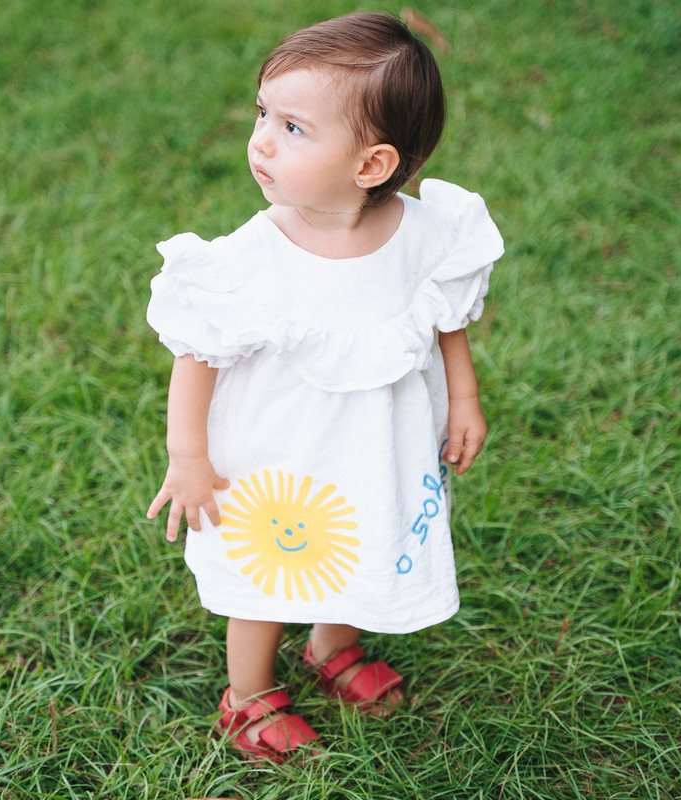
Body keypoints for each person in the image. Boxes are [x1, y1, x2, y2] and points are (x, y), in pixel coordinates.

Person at [145, 12, 504, 762]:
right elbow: (196, 358)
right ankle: (246, 696)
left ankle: (333, 644)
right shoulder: (249, 259)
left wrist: (463, 397)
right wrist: (188, 455)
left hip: (376, 444)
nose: (262, 139)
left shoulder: (426, 233)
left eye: (294, 128)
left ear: (371, 165)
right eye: (263, 113)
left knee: (364, 534)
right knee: (266, 576)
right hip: (277, 457)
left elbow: (447, 319)